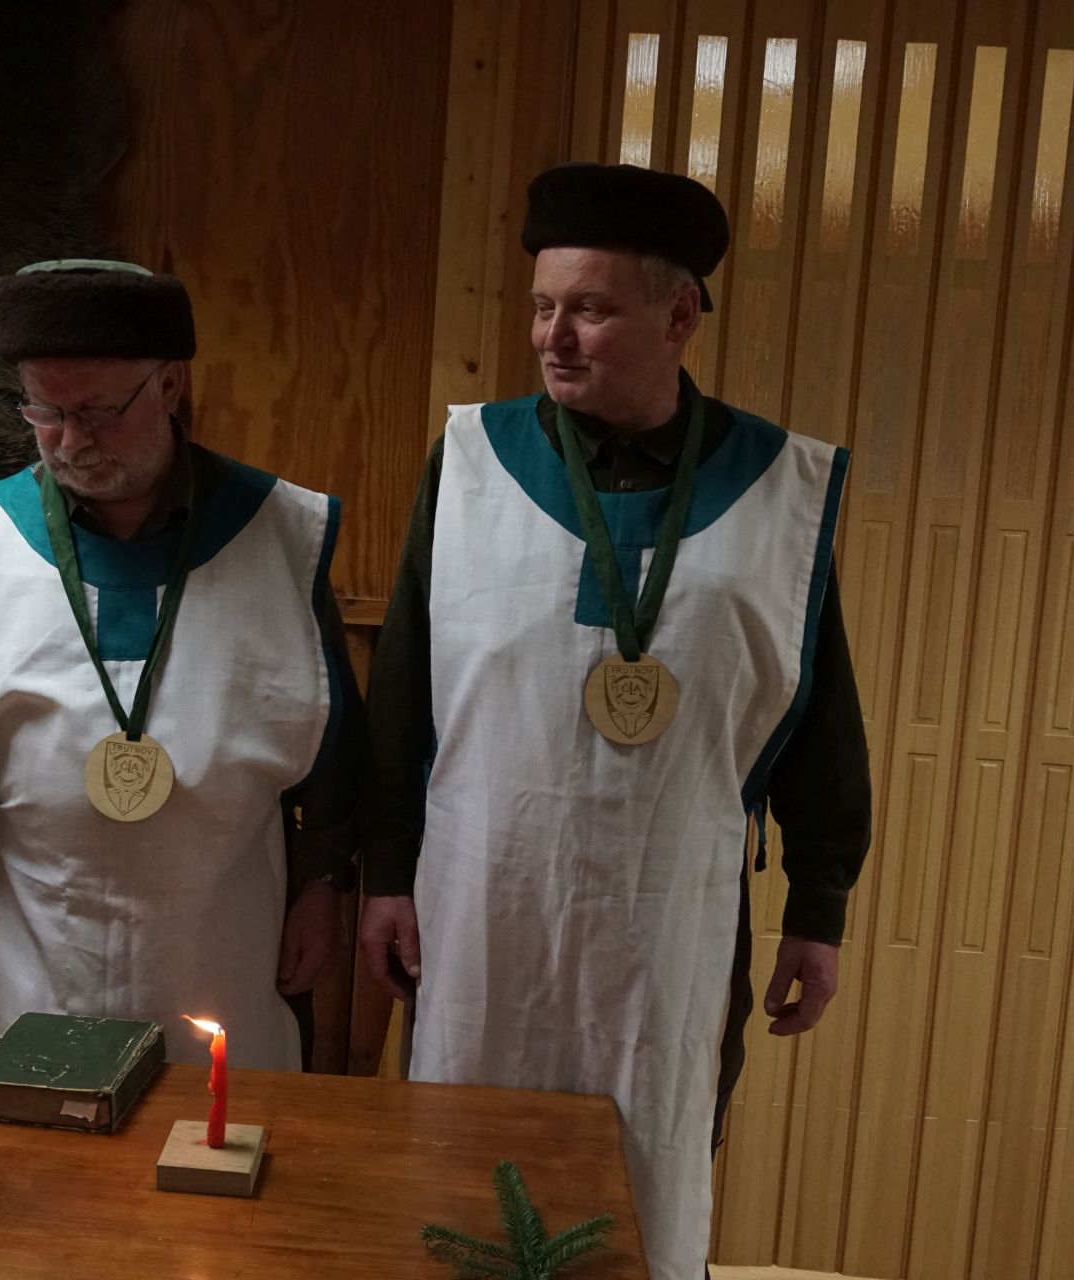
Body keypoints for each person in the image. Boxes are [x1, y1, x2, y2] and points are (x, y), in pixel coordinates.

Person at [358, 163, 872, 1279]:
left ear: (680, 315)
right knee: (460, 1167)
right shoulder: (475, 463)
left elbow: (817, 710)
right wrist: (385, 873)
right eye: (542, 306)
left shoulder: (778, 487)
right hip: (481, 906)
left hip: (670, 917)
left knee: (647, 1166)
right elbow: (402, 690)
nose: (553, 337)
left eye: (589, 309)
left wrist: (818, 905)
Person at [0, 260, 362, 1069]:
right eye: (45, 411)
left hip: (225, 946)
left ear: (169, 385)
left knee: (214, 1142)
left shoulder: (278, 534)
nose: (70, 440)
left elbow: (334, 744)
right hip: (32, 958)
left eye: (96, 411)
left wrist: (323, 882)